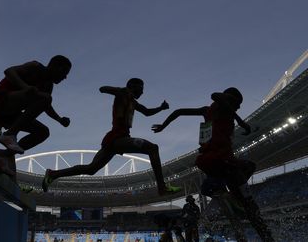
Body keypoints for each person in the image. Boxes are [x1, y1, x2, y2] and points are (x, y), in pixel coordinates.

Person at [152, 87, 275, 242]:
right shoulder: (223, 106)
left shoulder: (207, 111)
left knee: (224, 194)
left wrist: (164, 125)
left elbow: (179, 112)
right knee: (250, 182)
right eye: (238, 104)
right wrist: (241, 121)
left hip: (209, 162)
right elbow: (215, 95)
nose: (238, 107)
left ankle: (228, 199)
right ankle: (265, 235)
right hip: (224, 161)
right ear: (230, 100)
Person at [41, 78, 181, 195]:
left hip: (113, 140)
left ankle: (53, 174)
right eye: (141, 88)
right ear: (133, 86)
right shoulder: (123, 93)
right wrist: (120, 90)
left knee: (91, 169)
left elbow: (147, 112)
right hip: (118, 138)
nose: (143, 91)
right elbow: (103, 88)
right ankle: (162, 187)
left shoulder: (133, 102)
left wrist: (161, 108)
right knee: (152, 148)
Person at [0, 55, 72, 175]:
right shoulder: (35, 67)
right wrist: (26, 88)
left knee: (43, 132)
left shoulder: (48, 86)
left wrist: (59, 119)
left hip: (10, 115)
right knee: (43, 97)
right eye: (64, 72)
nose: (65, 77)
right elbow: (9, 71)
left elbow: (47, 106)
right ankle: (10, 134)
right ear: (54, 66)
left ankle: (2, 156)